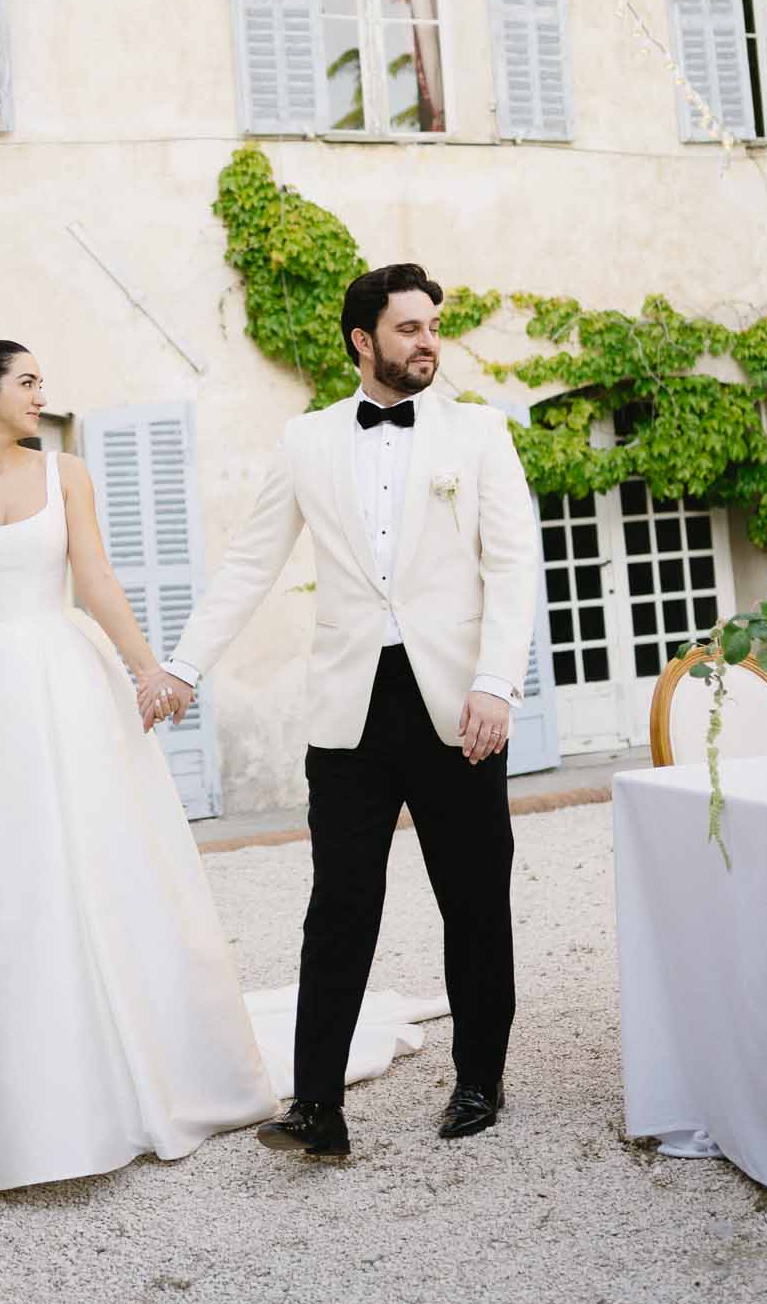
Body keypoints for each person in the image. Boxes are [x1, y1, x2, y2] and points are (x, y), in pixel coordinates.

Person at [137, 264, 540, 1161]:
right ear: (363, 341)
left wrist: (496, 684)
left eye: (433, 326)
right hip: (349, 713)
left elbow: (514, 566)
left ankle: (479, 1079)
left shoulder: (479, 434)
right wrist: (183, 666)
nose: (427, 341)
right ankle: (316, 1106)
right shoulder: (306, 441)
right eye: (407, 329)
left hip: (457, 706)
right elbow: (249, 565)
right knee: (339, 905)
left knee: (473, 900)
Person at [0, 339, 277, 1189]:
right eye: (27, 382)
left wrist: (148, 668)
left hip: (63, 682)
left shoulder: (67, 474)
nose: (41, 395)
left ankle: (121, 1063)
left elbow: (96, 578)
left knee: (89, 858)